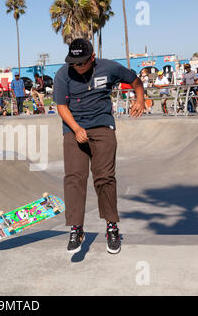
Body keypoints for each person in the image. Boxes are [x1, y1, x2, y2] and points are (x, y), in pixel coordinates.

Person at [53, 38, 145, 255]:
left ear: (92, 58)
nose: (76, 67)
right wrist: (76, 129)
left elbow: (135, 81)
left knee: (104, 178)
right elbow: (61, 106)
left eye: (81, 63)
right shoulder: (62, 74)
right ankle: (76, 228)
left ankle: (111, 227)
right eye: (73, 63)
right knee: (74, 177)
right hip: (73, 128)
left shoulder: (109, 67)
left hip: (102, 125)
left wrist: (140, 99)